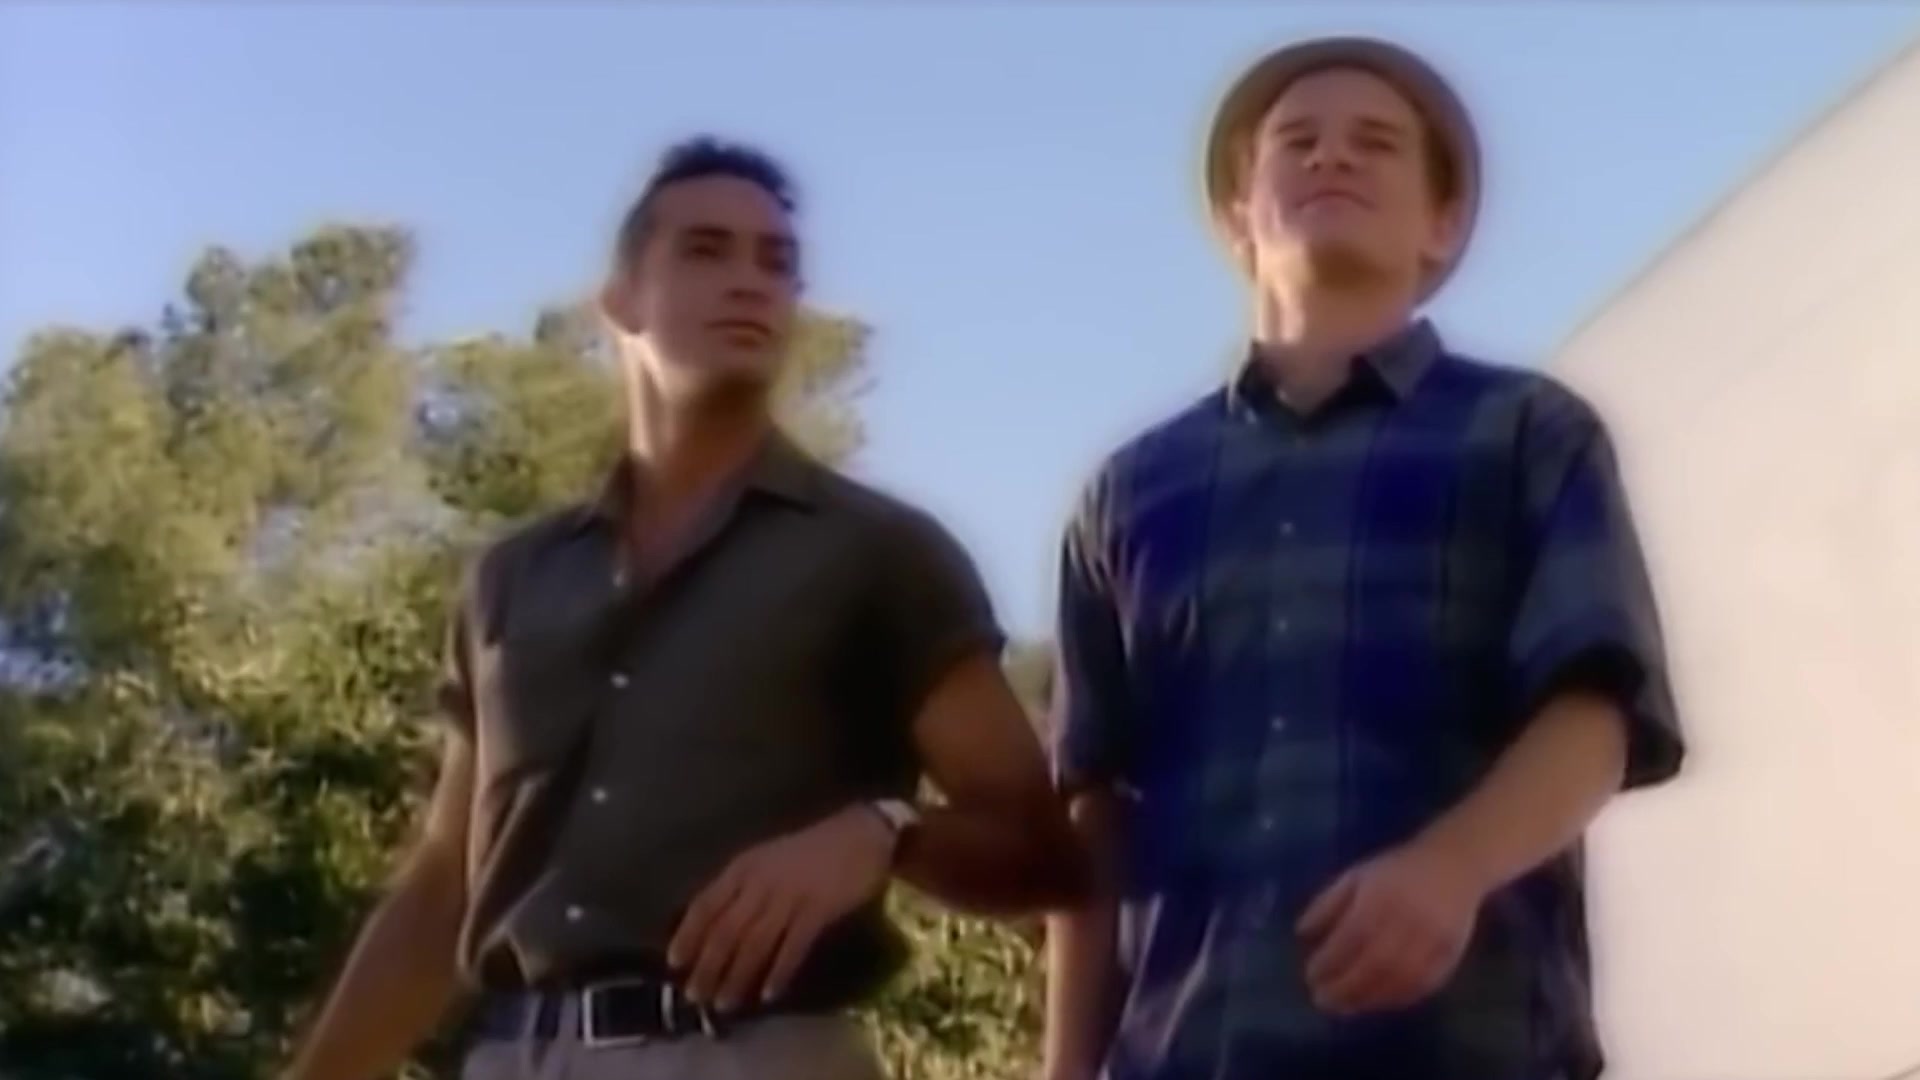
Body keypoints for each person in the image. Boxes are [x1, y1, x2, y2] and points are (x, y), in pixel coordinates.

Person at [281, 136, 1087, 1080]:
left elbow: (1044, 857)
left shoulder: (878, 555)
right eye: (706, 251)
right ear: (620, 300)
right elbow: (440, 884)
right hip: (513, 1057)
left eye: (776, 263)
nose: (750, 282)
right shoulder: (509, 580)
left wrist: (886, 831)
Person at [1040, 36, 1686, 1080]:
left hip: (1469, 1050)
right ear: (1238, 216)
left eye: (1376, 142)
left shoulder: (1529, 434)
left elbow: (1597, 715)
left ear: (1441, 224)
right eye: (1296, 141)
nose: (1332, 156)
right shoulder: (1127, 494)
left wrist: (1453, 866)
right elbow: (1095, 822)